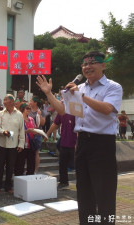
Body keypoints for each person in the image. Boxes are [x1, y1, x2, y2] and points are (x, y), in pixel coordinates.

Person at [36, 51, 123, 224]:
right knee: (84, 190)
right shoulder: (79, 88)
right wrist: (48, 93)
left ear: (103, 65)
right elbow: (62, 110)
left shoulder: (113, 87)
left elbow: (107, 109)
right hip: (82, 142)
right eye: (84, 64)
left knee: (104, 191)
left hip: (102, 144)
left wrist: (81, 96)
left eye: (93, 63)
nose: (88, 67)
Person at [0, 94, 24, 194]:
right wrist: (3, 132)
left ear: (11, 102)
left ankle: (8, 187)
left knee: (10, 167)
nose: (4, 101)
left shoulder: (19, 114)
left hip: (13, 144)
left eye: (6, 99)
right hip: (1, 143)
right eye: (4, 99)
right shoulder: (0, 114)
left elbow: (21, 130)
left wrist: (21, 144)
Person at [45, 113, 77, 190]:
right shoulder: (61, 110)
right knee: (62, 164)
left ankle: (83, 185)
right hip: (64, 142)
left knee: (80, 166)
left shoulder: (76, 109)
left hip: (76, 143)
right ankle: (63, 182)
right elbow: (55, 124)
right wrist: (47, 134)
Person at [14, 103, 40, 176]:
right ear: (22, 109)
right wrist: (27, 131)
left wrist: (36, 132)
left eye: (29, 108)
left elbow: (34, 129)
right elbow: (16, 132)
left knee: (31, 164)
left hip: (31, 144)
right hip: (21, 144)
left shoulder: (31, 119)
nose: (29, 110)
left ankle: (30, 178)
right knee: (20, 164)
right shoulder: (19, 119)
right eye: (27, 108)